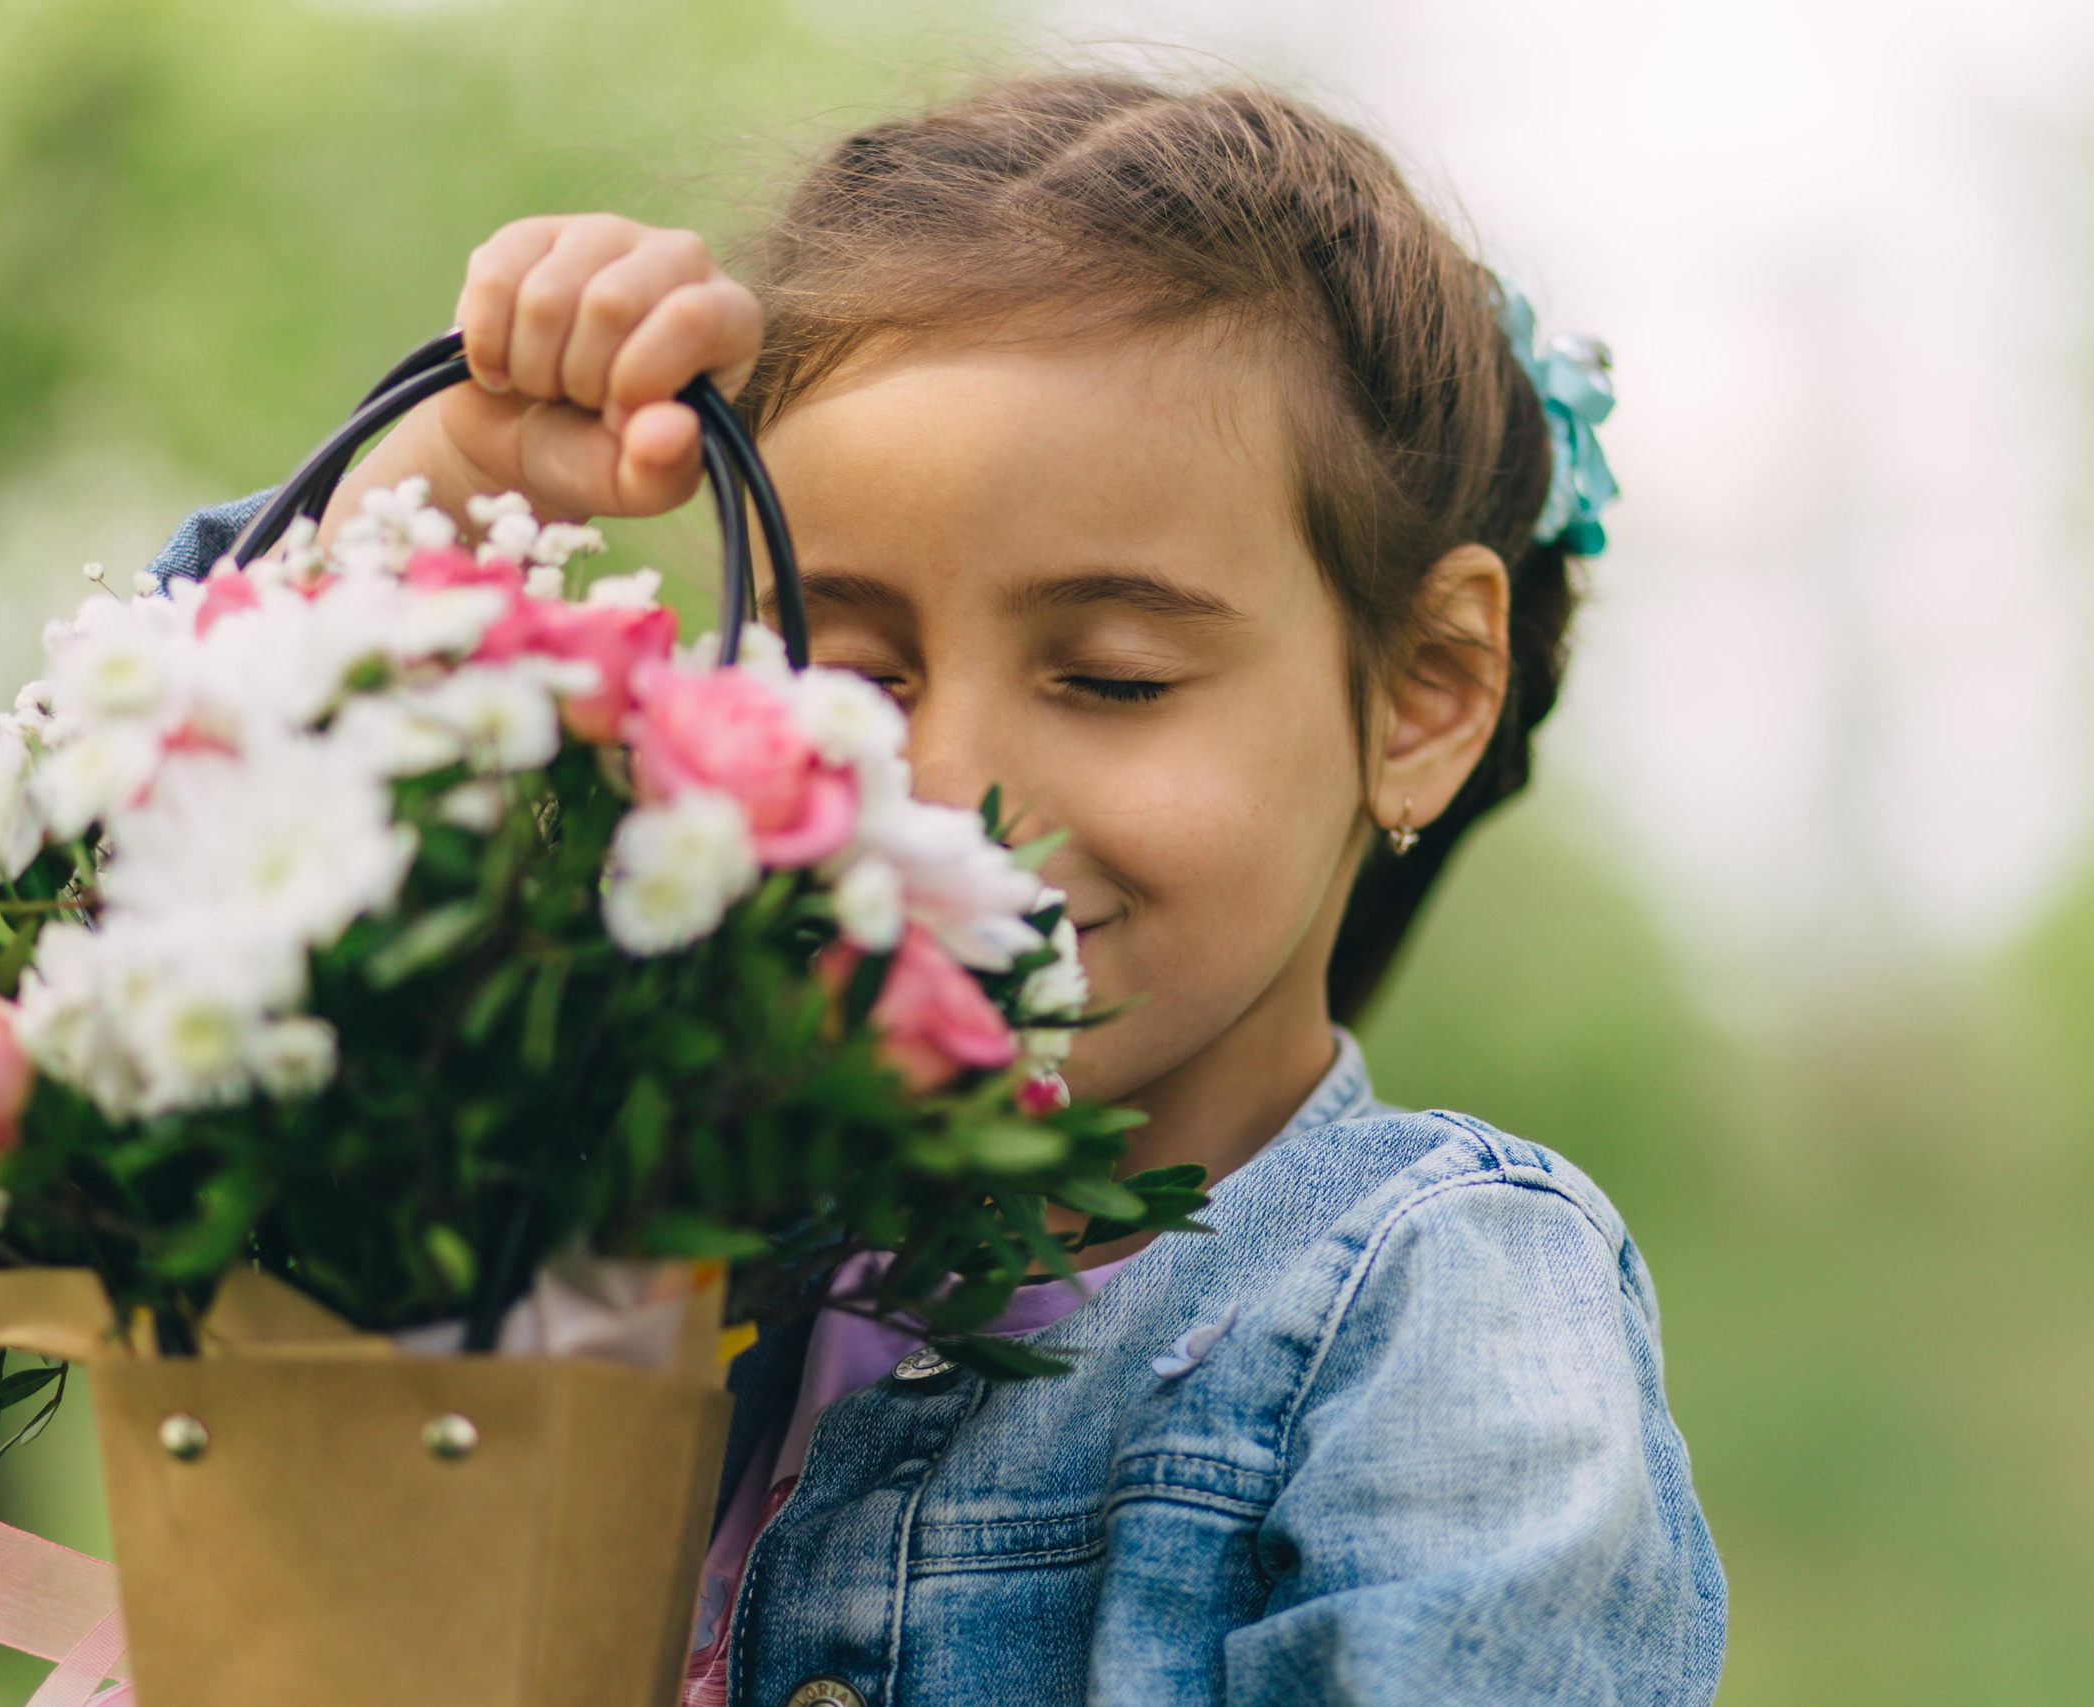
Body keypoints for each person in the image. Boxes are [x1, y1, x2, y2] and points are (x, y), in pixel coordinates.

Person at [147, 71, 1723, 1707]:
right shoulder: (642, 1189)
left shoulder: (1435, 1308)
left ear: (1425, 694)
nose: (950, 792)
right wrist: (437, 488)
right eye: (857, 675)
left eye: (1113, 678)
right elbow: (173, 987)